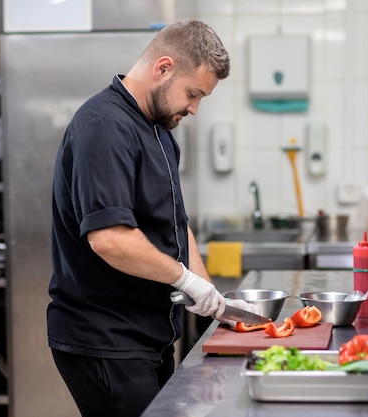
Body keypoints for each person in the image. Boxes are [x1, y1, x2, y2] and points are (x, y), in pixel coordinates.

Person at [47, 19, 261, 417]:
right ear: (163, 68)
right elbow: (110, 238)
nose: (194, 109)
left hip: (149, 335)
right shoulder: (104, 127)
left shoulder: (159, 131)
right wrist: (184, 280)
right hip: (106, 339)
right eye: (193, 94)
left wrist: (208, 294)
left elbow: (176, 224)